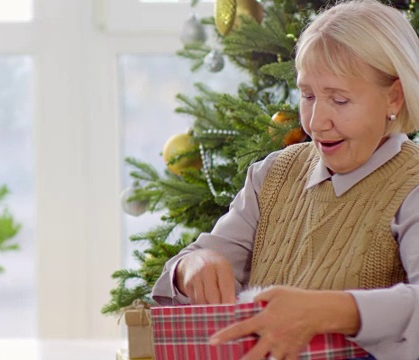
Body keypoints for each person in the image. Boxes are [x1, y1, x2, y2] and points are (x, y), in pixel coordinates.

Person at [152, 0, 419, 359]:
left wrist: (325, 312)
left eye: (339, 100)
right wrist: (193, 266)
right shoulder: (273, 174)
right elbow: (187, 265)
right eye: (307, 95)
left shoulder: (412, 183)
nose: (316, 121)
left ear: (394, 97)